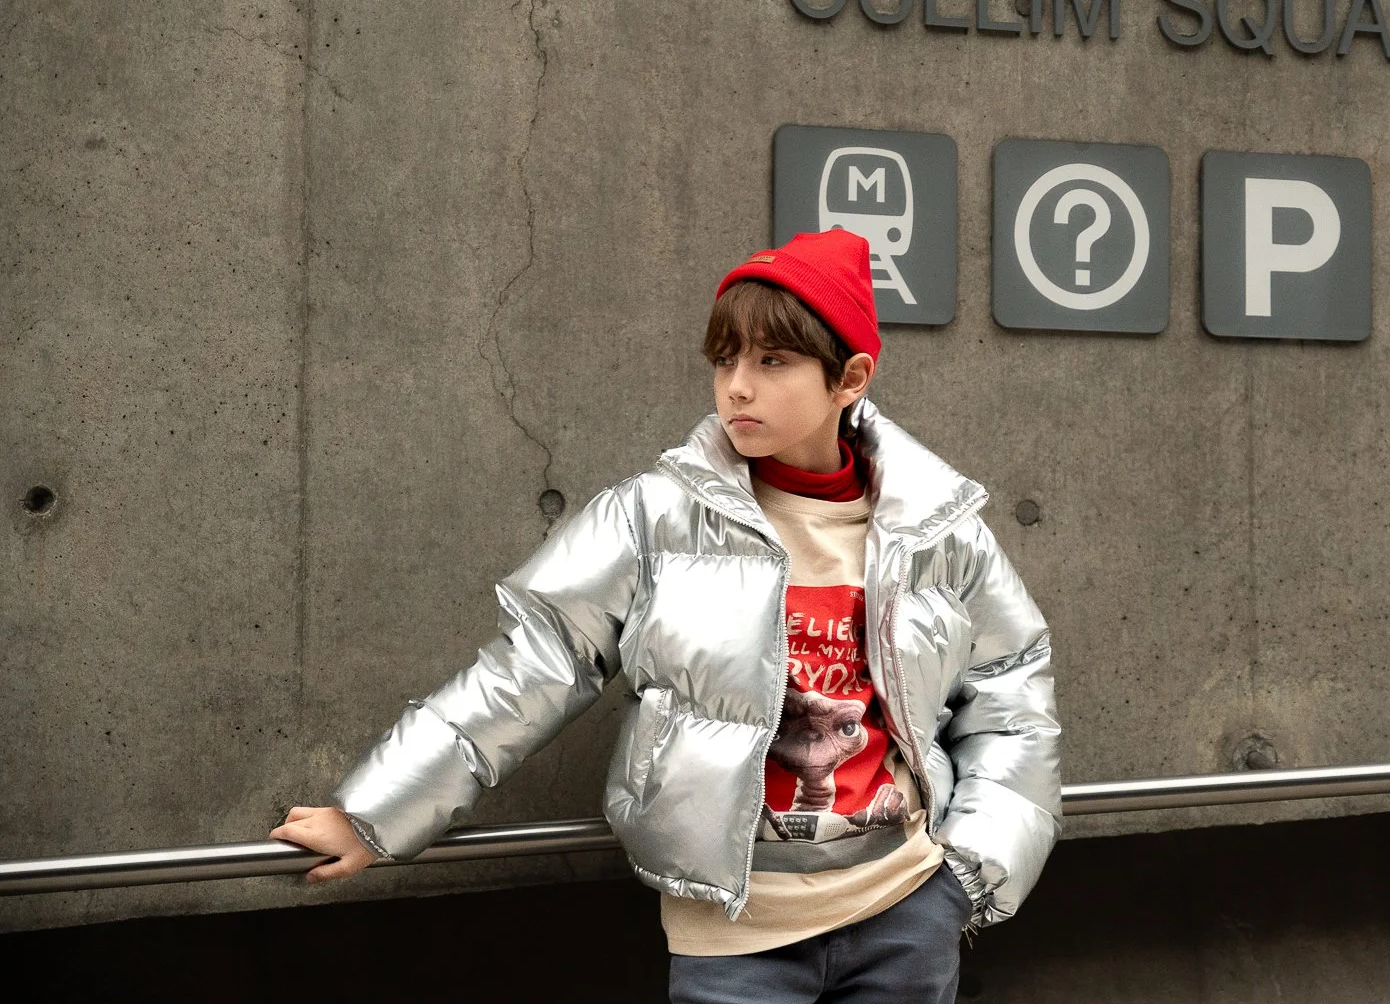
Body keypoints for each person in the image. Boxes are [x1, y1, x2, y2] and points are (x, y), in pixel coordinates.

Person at [271, 228, 1060, 1003]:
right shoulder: (654, 519)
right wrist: (375, 813)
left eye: (772, 360)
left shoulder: (937, 534)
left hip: (905, 914)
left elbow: (1013, 697)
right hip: (737, 937)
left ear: (849, 378)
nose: (737, 386)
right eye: (725, 359)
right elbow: (533, 666)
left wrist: (966, 875)